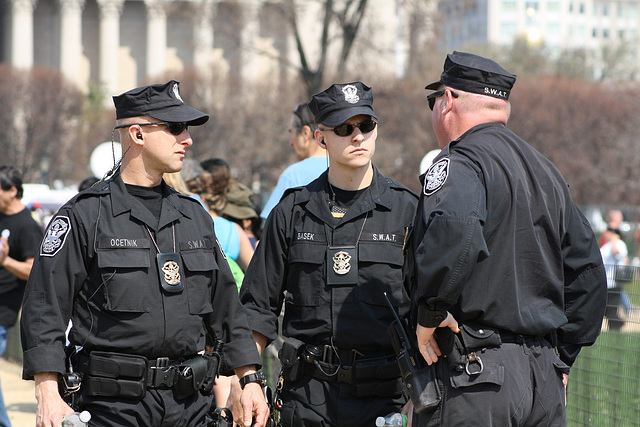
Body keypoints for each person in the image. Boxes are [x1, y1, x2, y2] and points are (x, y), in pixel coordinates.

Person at [20, 80, 268, 427]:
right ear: (137, 134)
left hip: (190, 407)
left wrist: (250, 378)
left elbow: (227, 308)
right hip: (111, 408)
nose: (188, 139)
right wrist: (47, 392)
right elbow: (45, 308)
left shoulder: (194, 216)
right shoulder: (84, 216)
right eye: (176, 128)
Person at [410, 51, 607, 426]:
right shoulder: (545, 170)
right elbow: (589, 273)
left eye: (433, 100)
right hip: (543, 380)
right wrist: (560, 357)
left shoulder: (461, 160)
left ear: (448, 100)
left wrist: (430, 311)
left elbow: (454, 230)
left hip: (477, 376)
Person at [237, 81, 419, 426]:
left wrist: (421, 391)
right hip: (307, 395)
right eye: (344, 128)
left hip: (385, 397)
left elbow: (427, 309)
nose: (357, 136)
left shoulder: (407, 211)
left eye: (366, 126)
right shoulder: (292, 211)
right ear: (321, 138)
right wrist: (248, 381)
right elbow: (257, 306)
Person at [0, 165, 44, 427]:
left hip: (3, 309)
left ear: (12, 190)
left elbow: (33, 270)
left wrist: (5, 262)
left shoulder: (27, 225)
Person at [259, 102, 328, 220]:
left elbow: (270, 225)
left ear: (306, 133)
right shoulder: (346, 169)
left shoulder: (293, 175)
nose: (291, 142)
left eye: (293, 133)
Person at [600, 209, 631, 331]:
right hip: (606, 282)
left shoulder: (618, 244)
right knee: (608, 308)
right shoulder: (606, 245)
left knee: (611, 308)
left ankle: (618, 326)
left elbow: (617, 253)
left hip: (613, 282)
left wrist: (614, 240)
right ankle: (616, 326)